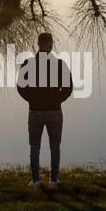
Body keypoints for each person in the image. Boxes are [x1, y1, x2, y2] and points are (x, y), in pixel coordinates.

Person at [17, 33, 73, 187]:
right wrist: (57, 100)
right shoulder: (60, 64)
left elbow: (20, 87)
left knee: (35, 146)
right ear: (50, 45)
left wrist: (32, 99)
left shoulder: (28, 63)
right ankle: (54, 179)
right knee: (55, 146)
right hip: (54, 111)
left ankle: (35, 180)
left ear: (38, 44)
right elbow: (68, 87)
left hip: (34, 111)